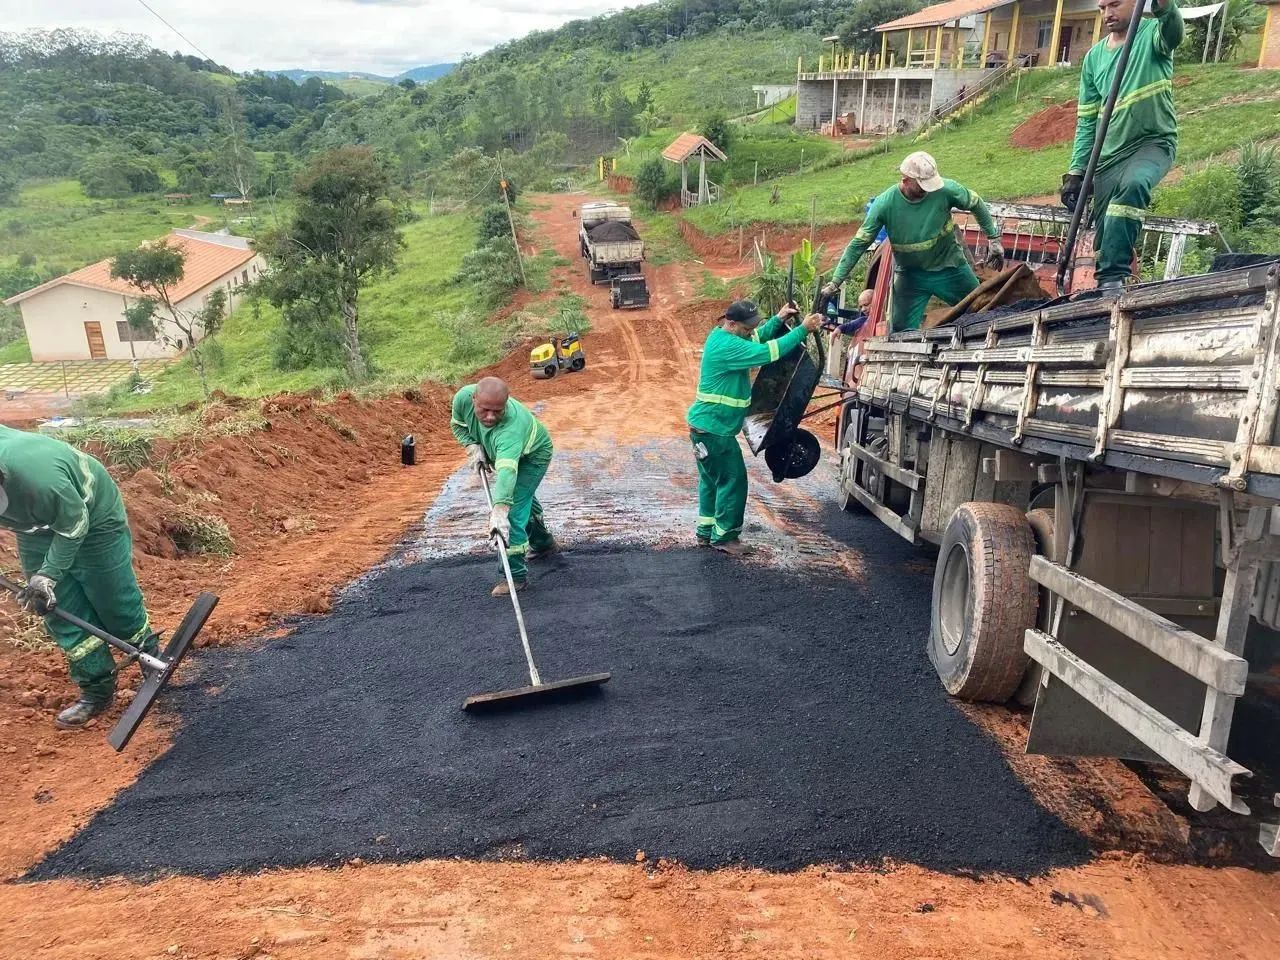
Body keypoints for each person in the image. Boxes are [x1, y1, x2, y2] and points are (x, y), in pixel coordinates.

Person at [0, 426, 154, 729]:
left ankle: (152, 661)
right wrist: (45, 582)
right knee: (58, 609)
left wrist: (48, 573)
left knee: (111, 599)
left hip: (92, 516)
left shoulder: (43, 480)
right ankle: (96, 691)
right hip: (34, 529)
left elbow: (73, 527)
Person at [1060, 0, 1183, 293]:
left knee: (1134, 185)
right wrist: (1077, 172)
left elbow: (1174, 28)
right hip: (1108, 157)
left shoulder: (1153, 35)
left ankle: (1114, 281)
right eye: (1102, 8)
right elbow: (1088, 122)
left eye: (1114, 5)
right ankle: (1105, 288)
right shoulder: (1093, 59)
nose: (1107, 14)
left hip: (1152, 142)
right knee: (1105, 225)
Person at [687, 300, 824, 556]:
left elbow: (757, 339)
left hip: (705, 427)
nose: (750, 331)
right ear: (731, 323)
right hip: (716, 429)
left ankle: (705, 533)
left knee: (711, 481)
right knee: (733, 480)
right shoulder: (727, 347)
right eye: (746, 328)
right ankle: (725, 537)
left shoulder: (723, 337)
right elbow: (767, 352)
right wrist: (802, 329)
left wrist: (779, 318)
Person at [824, 151, 1005, 332]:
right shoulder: (884, 205)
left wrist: (994, 239)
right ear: (906, 180)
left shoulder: (945, 190)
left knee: (982, 311)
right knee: (899, 331)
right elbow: (858, 244)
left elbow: (976, 203)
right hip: (911, 277)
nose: (927, 190)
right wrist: (836, 281)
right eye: (921, 186)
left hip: (950, 267)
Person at [450, 376, 555, 596]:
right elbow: (458, 425)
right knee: (523, 497)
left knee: (514, 508)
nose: (490, 417)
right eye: (484, 410)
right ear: (473, 399)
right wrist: (471, 445)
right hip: (510, 452)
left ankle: (515, 577)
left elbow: (507, 473)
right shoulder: (462, 399)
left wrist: (500, 509)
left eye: (497, 411)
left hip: (533, 456)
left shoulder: (510, 431)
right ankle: (543, 543)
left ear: (506, 404)